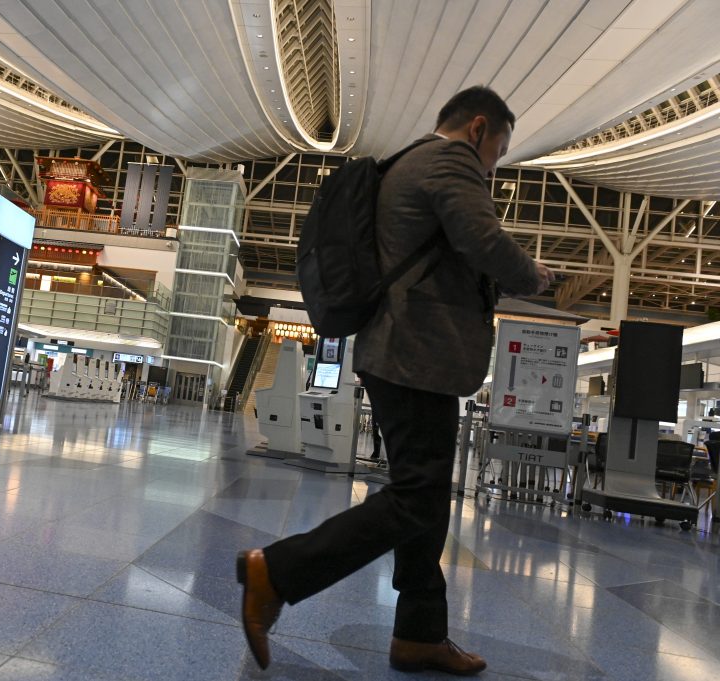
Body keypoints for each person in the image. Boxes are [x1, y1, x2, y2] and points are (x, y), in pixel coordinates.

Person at [237, 86, 554, 675]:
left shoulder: (409, 161)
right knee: (416, 496)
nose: (493, 165)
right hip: (417, 354)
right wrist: (533, 276)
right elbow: (482, 239)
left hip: (408, 354)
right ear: (478, 128)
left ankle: (420, 633)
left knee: (426, 497)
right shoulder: (450, 160)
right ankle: (275, 571)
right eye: (498, 151)